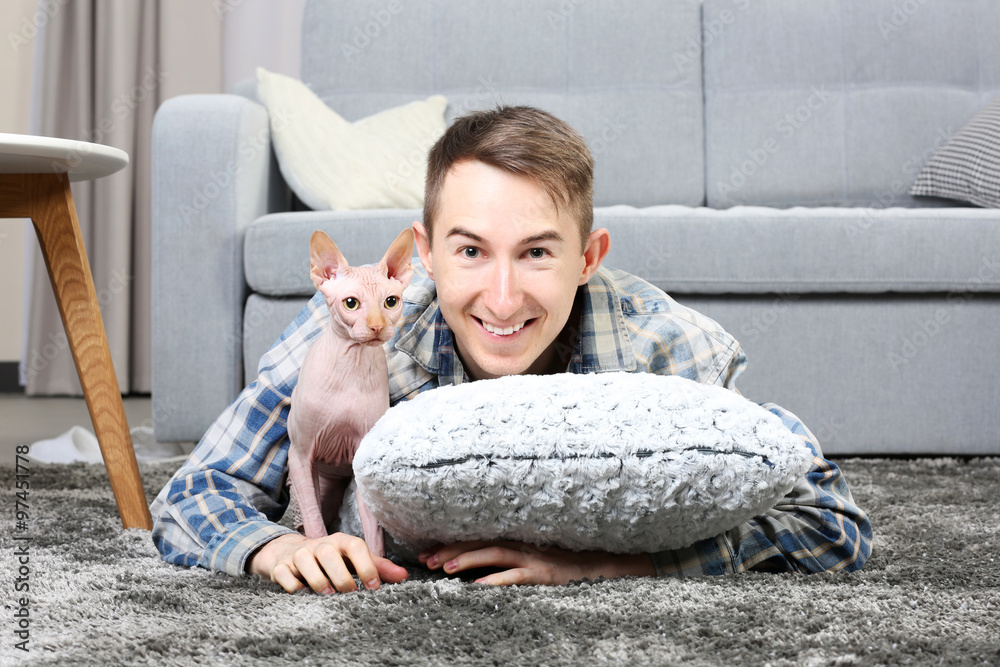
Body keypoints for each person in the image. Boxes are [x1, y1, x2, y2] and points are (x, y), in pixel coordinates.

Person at [151, 105, 872, 594]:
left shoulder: (662, 347)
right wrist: (279, 548)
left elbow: (829, 523)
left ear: (588, 256)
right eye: (470, 250)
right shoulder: (357, 330)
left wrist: (620, 562)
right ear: (424, 255)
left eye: (535, 252)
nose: (501, 297)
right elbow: (195, 492)